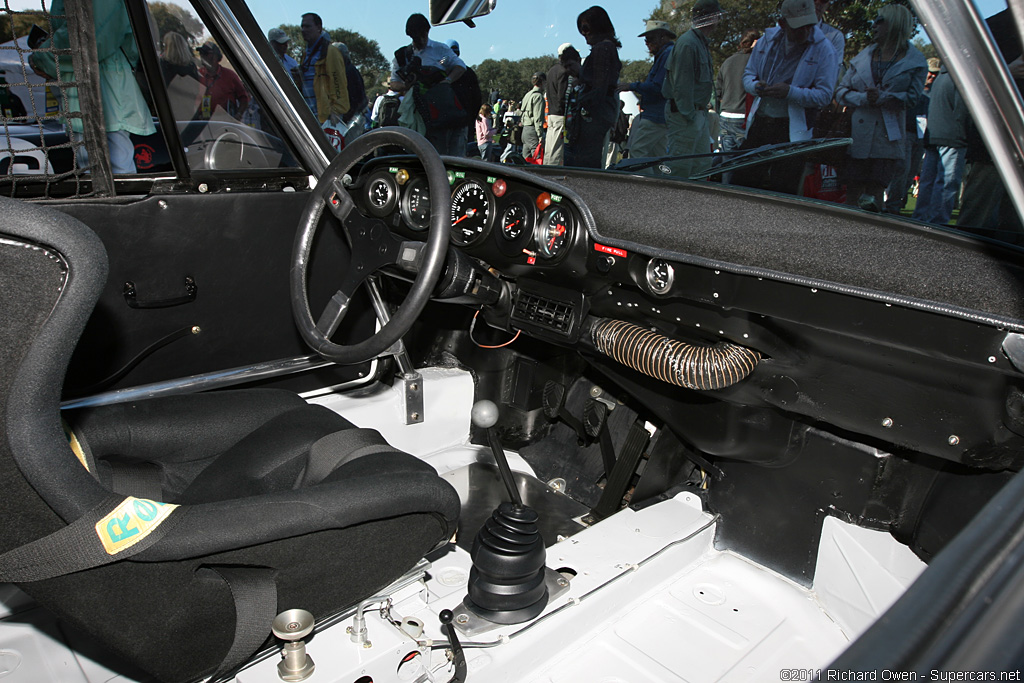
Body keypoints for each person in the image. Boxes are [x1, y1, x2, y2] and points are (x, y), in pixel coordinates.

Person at [30, 0, 155, 174]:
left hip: (103, 93)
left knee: (113, 174)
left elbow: (90, 34)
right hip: (90, 91)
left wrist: (43, 58)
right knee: (99, 173)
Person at [733, 0, 839, 194]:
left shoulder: (825, 49)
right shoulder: (766, 41)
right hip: (761, 122)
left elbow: (825, 95)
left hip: (792, 130)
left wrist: (790, 92)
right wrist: (756, 86)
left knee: (783, 189)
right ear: (782, 23)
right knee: (742, 181)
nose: (806, 32)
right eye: (799, 27)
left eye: (810, 25)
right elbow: (748, 75)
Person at [837, 3, 927, 212]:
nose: (874, 25)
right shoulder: (862, 57)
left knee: (876, 194)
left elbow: (913, 98)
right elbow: (841, 92)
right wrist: (864, 99)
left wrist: (886, 97)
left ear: (895, 24)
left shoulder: (916, 61)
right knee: (853, 192)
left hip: (888, 138)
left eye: (879, 20)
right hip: (857, 135)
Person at [389, 13, 468, 155]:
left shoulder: (440, 50)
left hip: (441, 113)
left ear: (427, 31)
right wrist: (406, 86)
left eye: (422, 35)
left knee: (443, 154)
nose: (419, 40)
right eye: (415, 37)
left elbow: (460, 66)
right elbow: (393, 83)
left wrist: (446, 81)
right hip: (416, 113)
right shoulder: (402, 56)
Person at [662, 0, 721, 177]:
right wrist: (689, 115)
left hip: (696, 115)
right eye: (717, 15)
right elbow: (681, 85)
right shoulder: (688, 43)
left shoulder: (700, 43)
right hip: (686, 116)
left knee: (701, 166)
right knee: (680, 168)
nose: (719, 19)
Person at [910, 65, 967, 224]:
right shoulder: (959, 78)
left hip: (934, 136)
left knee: (928, 182)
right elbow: (963, 111)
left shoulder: (941, 78)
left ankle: (920, 219)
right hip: (952, 138)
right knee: (946, 183)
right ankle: (937, 224)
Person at [569, 6, 621, 169]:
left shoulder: (602, 49)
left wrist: (581, 73)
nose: (584, 33)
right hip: (599, 113)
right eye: (581, 29)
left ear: (598, 26)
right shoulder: (607, 48)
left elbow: (599, 86)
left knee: (585, 161)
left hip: (594, 116)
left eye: (586, 28)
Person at [618, 20, 674, 161]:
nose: (646, 43)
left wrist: (631, 86)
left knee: (637, 154)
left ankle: (642, 183)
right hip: (662, 116)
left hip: (655, 116)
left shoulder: (666, 55)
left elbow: (658, 87)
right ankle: (660, 182)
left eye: (650, 38)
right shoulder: (666, 54)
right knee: (657, 159)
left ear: (662, 37)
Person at [715, 29, 759, 163]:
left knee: (727, 162)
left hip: (725, 115)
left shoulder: (727, 62)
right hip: (742, 118)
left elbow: (718, 91)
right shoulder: (754, 63)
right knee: (745, 162)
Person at [299, 13, 349, 126]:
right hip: (308, 115)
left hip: (324, 118)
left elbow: (339, 83)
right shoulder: (306, 53)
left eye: (308, 26)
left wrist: (335, 112)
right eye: (302, 26)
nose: (303, 30)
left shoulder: (330, 52)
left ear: (319, 28)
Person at [544, 43, 581, 166]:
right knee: (556, 151)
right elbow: (562, 95)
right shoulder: (563, 72)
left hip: (551, 114)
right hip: (559, 114)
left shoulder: (552, 70)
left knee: (549, 149)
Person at [197, 42, 250, 120]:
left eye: (205, 53)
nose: (202, 55)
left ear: (215, 56)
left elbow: (244, 98)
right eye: (201, 53)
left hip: (225, 124)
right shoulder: (198, 74)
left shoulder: (230, 75)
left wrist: (238, 114)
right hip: (203, 124)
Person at [334, 42, 368, 144]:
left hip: (350, 120)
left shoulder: (348, 72)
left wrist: (345, 119)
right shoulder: (349, 70)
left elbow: (354, 99)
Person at [520, 72, 546, 159]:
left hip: (525, 129)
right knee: (537, 156)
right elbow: (538, 118)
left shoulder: (527, 95)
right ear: (542, 82)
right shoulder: (538, 97)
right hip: (532, 129)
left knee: (526, 157)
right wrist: (540, 135)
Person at [814, 0, 845, 67]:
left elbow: (831, 73)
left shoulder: (835, 37)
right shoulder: (787, 27)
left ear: (827, 5)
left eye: (823, 1)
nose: (818, 2)